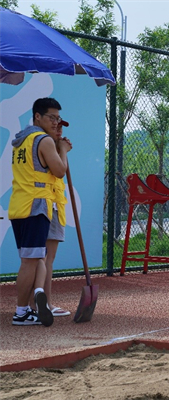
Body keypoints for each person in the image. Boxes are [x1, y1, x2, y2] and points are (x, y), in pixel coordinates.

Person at [9, 97, 72, 326]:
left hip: (20, 205)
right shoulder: (42, 140)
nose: (56, 122)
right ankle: (22, 311)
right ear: (37, 116)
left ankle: (34, 300)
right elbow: (60, 170)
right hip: (37, 206)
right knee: (32, 260)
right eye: (51, 117)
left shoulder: (21, 141)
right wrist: (63, 150)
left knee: (34, 259)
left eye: (58, 118)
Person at [36, 120, 72, 317]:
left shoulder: (54, 146)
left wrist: (62, 149)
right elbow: (59, 171)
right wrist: (63, 151)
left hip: (56, 205)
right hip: (44, 205)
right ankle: (37, 304)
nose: (59, 130)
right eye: (56, 126)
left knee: (48, 258)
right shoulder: (42, 145)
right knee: (40, 258)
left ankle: (46, 303)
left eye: (61, 127)